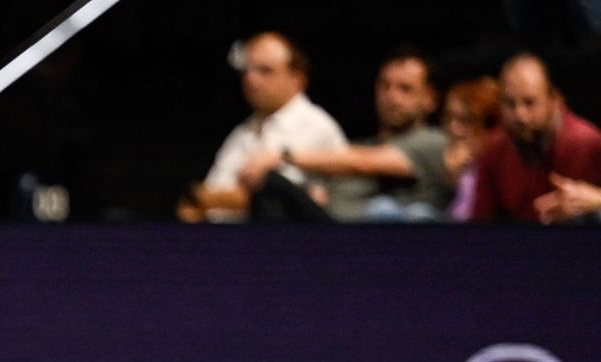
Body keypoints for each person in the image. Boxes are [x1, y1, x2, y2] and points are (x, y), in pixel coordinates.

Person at [237, 49, 452, 222]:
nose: (391, 96)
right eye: (384, 86)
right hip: (329, 232)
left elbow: (363, 163)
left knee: (271, 183)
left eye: (405, 89)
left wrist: (281, 156)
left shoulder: (433, 142)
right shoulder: (362, 144)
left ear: (430, 99)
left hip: (375, 241)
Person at [179, 32, 344, 222]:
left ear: (297, 78)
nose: (251, 80)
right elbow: (207, 195)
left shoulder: (315, 125)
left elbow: (275, 201)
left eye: (265, 71)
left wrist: (204, 199)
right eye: (247, 71)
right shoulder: (243, 132)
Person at [469, 53, 601, 223]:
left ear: (554, 99)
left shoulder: (587, 143)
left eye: (529, 102)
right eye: (510, 103)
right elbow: (480, 226)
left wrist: (597, 201)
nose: (520, 115)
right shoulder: (494, 148)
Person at [443, 76, 500, 221]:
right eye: (449, 118)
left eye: (465, 121)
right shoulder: (444, 154)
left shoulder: (499, 165)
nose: (453, 128)